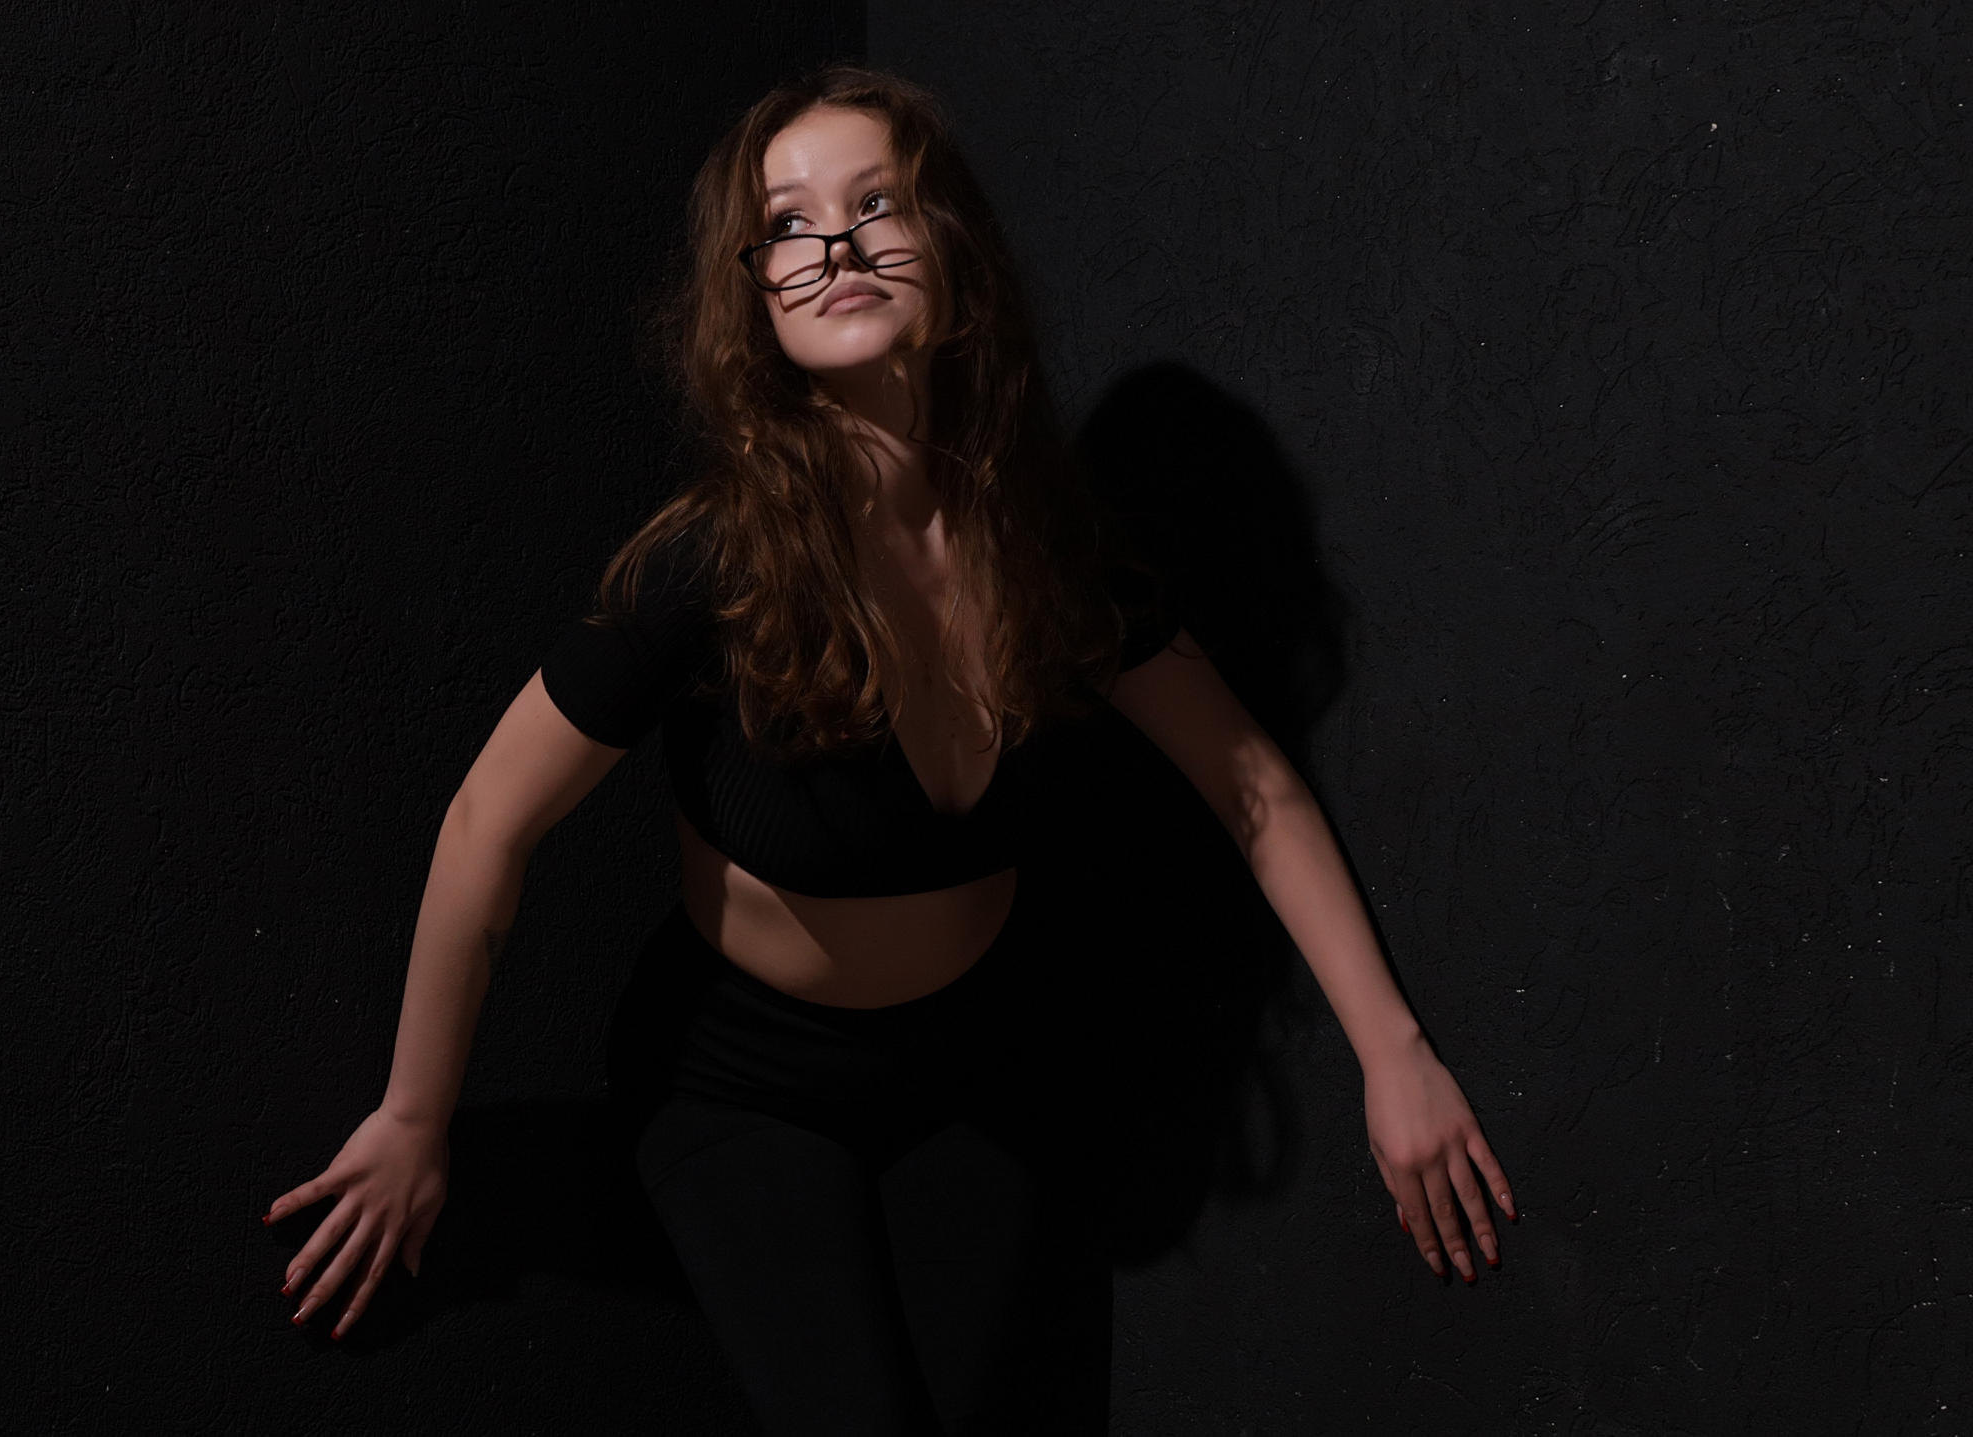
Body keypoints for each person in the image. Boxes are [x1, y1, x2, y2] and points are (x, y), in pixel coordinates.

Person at [264, 64, 1516, 1433]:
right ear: (755, 294)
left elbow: (1250, 780)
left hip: (976, 1069)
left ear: (952, 249)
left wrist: (1395, 1054)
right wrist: (415, 1115)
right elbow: (485, 825)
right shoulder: (712, 565)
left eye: (877, 204)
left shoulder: (1053, 548)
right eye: (788, 223)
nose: (838, 244)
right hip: (743, 1084)